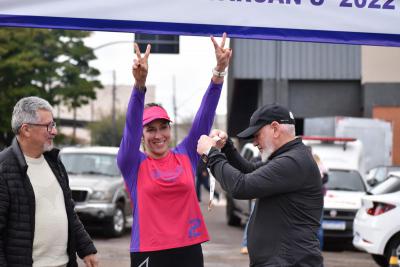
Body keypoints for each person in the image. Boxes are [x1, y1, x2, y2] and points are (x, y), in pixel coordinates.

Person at [116, 33, 232, 267]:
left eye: (163, 127)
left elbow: (205, 116)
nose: (158, 135)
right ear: (142, 135)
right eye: (150, 130)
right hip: (148, 251)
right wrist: (139, 86)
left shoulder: (186, 154)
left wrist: (218, 72)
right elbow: (130, 125)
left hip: (188, 249)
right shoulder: (132, 163)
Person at [197, 104, 324, 267]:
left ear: (275, 129)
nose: (255, 142)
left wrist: (211, 154)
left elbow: (241, 186)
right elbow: (249, 171)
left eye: (257, 135)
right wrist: (227, 147)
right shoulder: (289, 157)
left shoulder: (293, 161)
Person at [0, 96, 98, 267]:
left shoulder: (55, 163)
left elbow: (69, 211)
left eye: (53, 124)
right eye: (49, 126)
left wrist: (86, 249)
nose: (55, 131)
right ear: (26, 130)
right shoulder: (4, 168)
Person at [313, 153, 329, 250]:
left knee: (316, 227)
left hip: (314, 198)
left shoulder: (314, 167)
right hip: (319, 198)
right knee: (319, 225)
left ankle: (317, 248)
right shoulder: (323, 168)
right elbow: (326, 179)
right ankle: (319, 249)